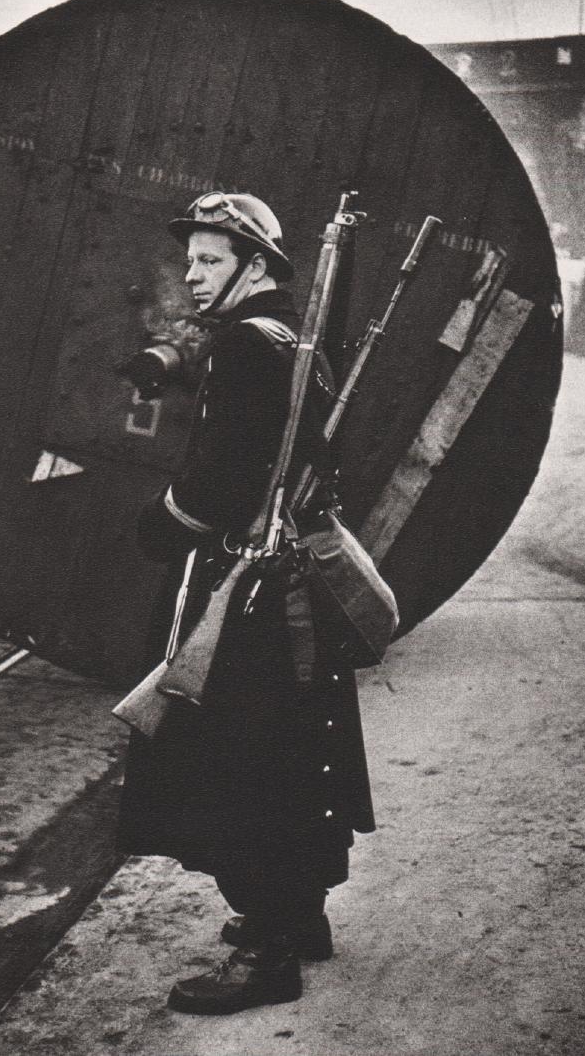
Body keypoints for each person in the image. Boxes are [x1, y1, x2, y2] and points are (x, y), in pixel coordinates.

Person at [117, 192, 376, 1015]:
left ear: (254, 266)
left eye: (210, 261)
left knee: (243, 773)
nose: (192, 275)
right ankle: (299, 921)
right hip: (291, 584)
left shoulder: (243, 347)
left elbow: (220, 484)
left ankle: (266, 951)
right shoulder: (295, 340)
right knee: (298, 760)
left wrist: (158, 527)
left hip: (249, 595)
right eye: (190, 260)